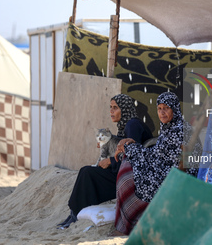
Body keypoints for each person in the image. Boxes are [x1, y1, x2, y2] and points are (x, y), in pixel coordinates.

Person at [57, 94, 153, 229]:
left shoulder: (132, 125)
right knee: (87, 172)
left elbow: (133, 156)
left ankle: (75, 215)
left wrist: (110, 162)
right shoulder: (127, 125)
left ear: (124, 109)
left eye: (115, 108)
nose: (111, 111)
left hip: (130, 177)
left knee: (87, 173)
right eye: (110, 107)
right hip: (124, 171)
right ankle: (75, 213)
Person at [113, 92, 202, 235]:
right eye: (159, 108)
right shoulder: (169, 128)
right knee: (129, 163)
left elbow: (173, 162)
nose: (162, 112)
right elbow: (158, 154)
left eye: (166, 108)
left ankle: (130, 223)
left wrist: (130, 147)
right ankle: (130, 223)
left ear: (174, 109)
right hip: (167, 172)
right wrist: (133, 146)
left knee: (128, 173)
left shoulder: (180, 130)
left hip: (178, 179)